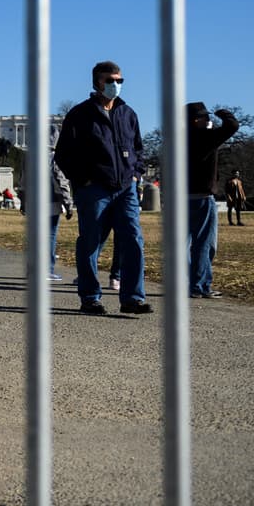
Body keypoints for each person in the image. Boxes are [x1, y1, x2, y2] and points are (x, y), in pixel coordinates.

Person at [53, 60, 152, 315]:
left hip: (125, 188)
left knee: (133, 240)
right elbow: (63, 155)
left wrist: (135, 174)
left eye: (119, 81)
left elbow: (139, 149)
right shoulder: (80, 114)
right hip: (94, 188)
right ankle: (90, 297)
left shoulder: (128, 113)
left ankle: (132, 297)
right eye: (110, 81)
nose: (115, 85)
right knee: (90, 242)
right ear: (97, 82)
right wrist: (82, 180)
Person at [186, 102, 239, 298]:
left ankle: (187, 281)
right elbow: (232, 126)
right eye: (206, 118)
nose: (210, 121)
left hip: (181, 197)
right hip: (202, 196)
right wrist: (223, 113)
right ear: (197, 120)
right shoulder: (206, 137)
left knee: (184, 244)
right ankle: (199, 285)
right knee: (204, 244)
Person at [48, 132, 74, 281]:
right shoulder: (55, 158)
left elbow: (23, 181)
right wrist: (68, 204)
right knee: (50, 236)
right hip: (50, 201)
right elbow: (61, 182)